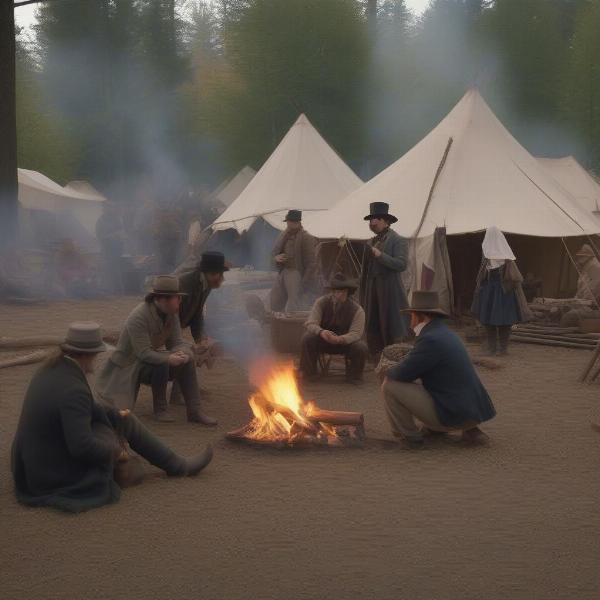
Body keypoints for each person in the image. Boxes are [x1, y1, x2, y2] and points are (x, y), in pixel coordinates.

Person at [11, 322, 213, 513]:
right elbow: (81, 446)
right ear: (87, 355)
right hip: (51, 471)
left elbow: (85, 409)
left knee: (123, 419)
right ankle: (172, 467)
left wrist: (116, 415)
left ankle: (178, 465)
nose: (96, 359)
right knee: (129, 465)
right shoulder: (73, 390)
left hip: (35, 459)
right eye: (96, 354)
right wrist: (117, 452)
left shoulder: (52, 369)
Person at [96, 275, 217, 425]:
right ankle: (160, 409)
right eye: (176, 298)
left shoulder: (172, 313)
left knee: (186, 358)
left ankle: (195, 411)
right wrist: (169, 358)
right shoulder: (138, 317)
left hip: (148, 358)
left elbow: (177, 342)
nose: (180, 301)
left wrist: (184, 354)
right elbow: (143, 353)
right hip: (129, 365)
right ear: (163, 299)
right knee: (162, 362)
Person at [382, 291, 496, 448]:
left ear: (420, 316)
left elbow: (401, 374)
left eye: (412, 316)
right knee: (427, 380)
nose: (410, 322)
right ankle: (467, 431)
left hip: (456, 413)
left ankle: (409, 438)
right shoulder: (444, 333)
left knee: (390, 385)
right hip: (471, 412)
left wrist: (386, 369)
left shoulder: (430, 339)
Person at [169, 251, 228, 404]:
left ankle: (181, 391)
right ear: (210, 273)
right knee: (183, 353)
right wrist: (179, 340)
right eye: (220, 275)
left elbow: (197, 313)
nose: (222, 279)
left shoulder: (206, 285)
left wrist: (201, 338)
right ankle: (175, 396)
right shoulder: (185, 283)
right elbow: (171, 312)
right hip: (166, 322)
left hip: (176, 321)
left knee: (194, 351)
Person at [359, 202, 409, 358]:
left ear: (386, 221)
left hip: (389, 288)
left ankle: (391, 356)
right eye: (370, 220)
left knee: (391, 322)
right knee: (372, 320)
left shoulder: (398, 240)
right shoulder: (371, 241)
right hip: (372, 287)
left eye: (376, 219)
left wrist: (379, 255)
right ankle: (375, 355)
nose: (372, 223)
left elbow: (401, 264)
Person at [471, 227, 530, 356]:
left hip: (503, 291)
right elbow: (482, 273)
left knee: (505, 320)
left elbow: (514, 277)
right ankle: (493, 348)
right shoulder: (486, 253)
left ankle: (502, 349)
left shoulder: (506, 255)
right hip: (490, 290)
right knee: (489, 320)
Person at [300, 272, 368, 383]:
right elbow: (311, 323)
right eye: (336, 291)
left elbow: (356, 333)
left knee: (360, 347)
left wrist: (340, 339)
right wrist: (322, 332)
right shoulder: (321, 303)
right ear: (332, 292)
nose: (338, 295)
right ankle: (309, 374)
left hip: (345, 344)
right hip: (324, 340)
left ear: (348, 292)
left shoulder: (357, 310)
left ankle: (354, 377)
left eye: (342, 291)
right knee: (307, 338)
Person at [270, 210, 317, 313]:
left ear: (296, 222)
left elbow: (311, 263)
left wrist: (304, 282)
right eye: (288, 222)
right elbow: (274, 253)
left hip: (295, 272)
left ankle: (292, 324)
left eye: (289, 221)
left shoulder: (306, 237)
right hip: (283, 270)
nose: (287, 223)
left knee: (293, 303)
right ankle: (276, 320)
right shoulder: (284, 235)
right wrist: (276, 258)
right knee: (274, 299)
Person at [95, 201, 125, 293]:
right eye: (108, 207)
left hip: (117, 248)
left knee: (116, 268)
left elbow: (121, 232)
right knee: (108, 268)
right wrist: (112, 235)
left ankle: (118, 289)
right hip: (107, 248)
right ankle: (108, 289)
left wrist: (119, 237)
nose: (110, 209)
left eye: (111, 207)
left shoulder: (116, 219)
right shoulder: (101, 220)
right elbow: (100, 236)